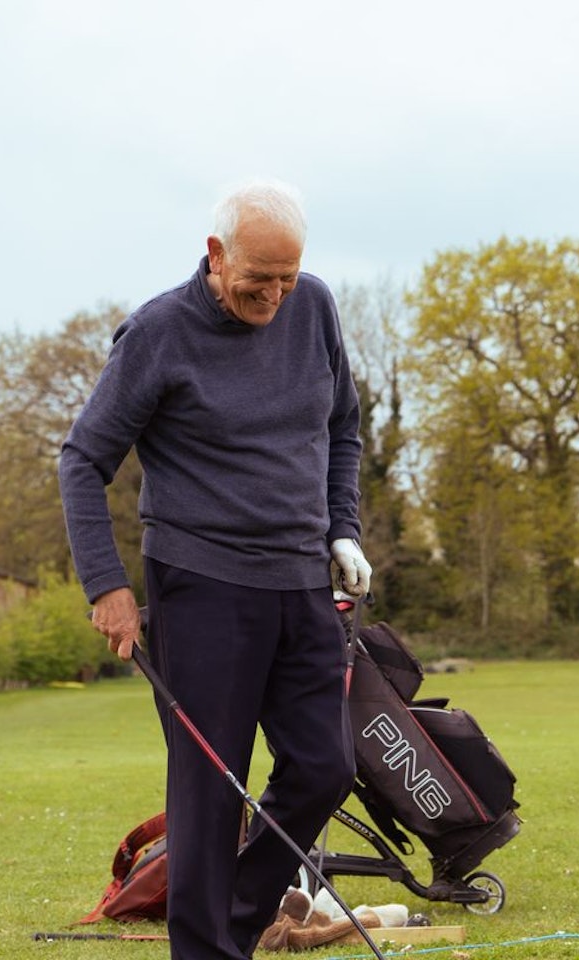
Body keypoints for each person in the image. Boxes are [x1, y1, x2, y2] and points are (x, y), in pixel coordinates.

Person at [58, 179, 371, 960]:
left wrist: (343, 529)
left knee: (324, 766)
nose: (273, 295)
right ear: (215, 255)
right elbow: (82, 460)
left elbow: (344, 429)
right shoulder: (158, 334)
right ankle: (208, 949)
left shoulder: (315, 308)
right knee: (207, 790)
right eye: (257, 278)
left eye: (286, 279)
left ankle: (229, 923)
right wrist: (108, 587)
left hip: (302, 581)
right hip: (201, 587)